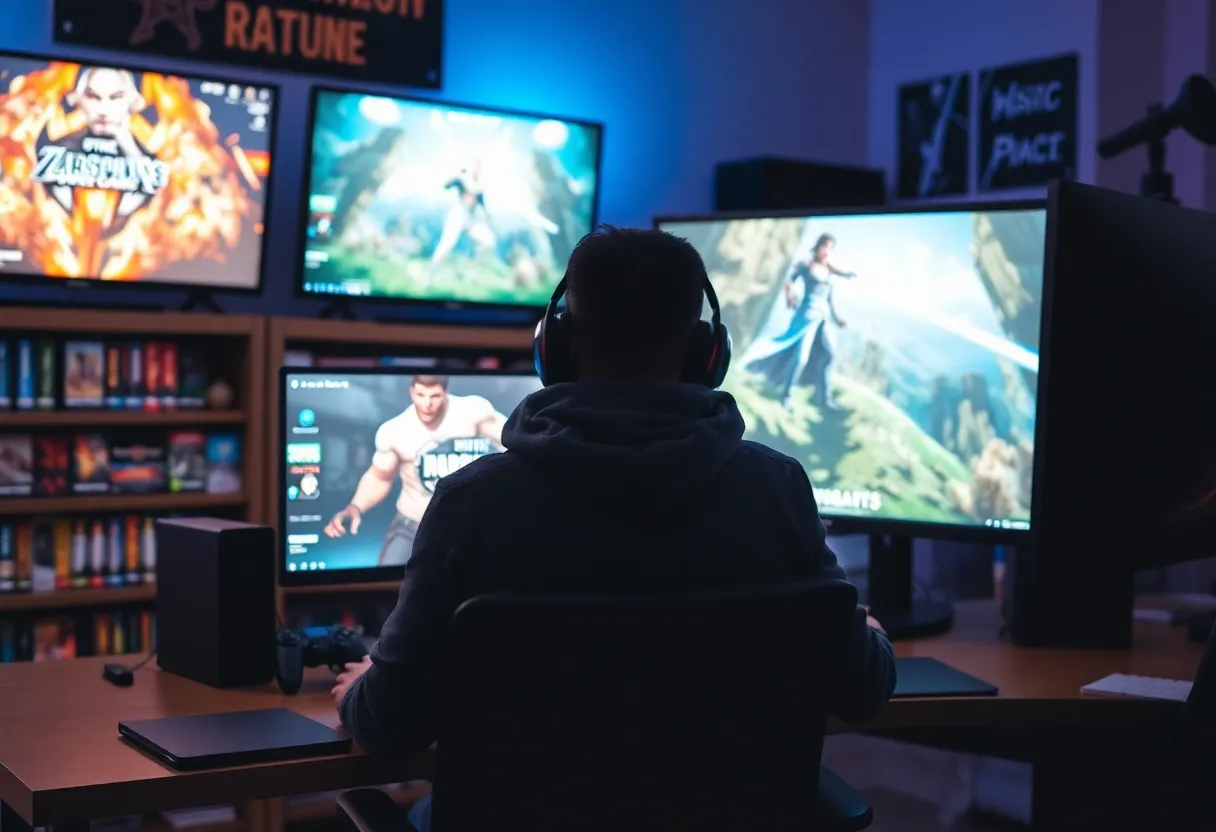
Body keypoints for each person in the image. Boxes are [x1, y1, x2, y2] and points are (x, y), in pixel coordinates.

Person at [333, 227, 896, 831]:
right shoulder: (776, 490)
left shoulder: (472, 503)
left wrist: (360, 687)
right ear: (710, 354)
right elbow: (863, 688)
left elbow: (390, 725)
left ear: (555, 346)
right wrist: (866, 632)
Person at [323, 375, 507, 566]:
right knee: (386, 580)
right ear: (412, 391)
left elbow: (514, 441)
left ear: (445, 392)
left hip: (468, 525)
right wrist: (355, 506)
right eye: (421, 395)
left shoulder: (473, 411)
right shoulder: (395, 430)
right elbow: (380, 477)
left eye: (434, 396)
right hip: (412, 524)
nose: (427, 403)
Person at [742, 233, 857, 411]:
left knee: (829, 354)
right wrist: (790, 296)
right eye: (825, 246)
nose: (827, 250)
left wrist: (836, 318)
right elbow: (788, 280)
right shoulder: (807, 264)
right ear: (818, 246)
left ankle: (823, 398)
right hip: (806, 316)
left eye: (830, 247)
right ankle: (786, 396)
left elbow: (829, 297)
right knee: (801, 358)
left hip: (822, 318)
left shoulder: (829, 269)